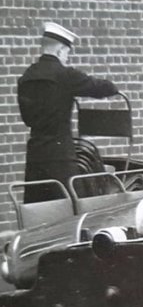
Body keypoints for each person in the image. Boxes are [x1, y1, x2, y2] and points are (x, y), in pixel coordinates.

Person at [17, 22, 118, 203]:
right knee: (71, 212)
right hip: (61, 159)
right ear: (60, 51)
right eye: (67, 53)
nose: (67, 58)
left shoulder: (26, 77)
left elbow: (27, 119)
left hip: (35, 158)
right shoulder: (65, 75)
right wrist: (113, 88)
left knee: (36, 215)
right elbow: (104, 87)